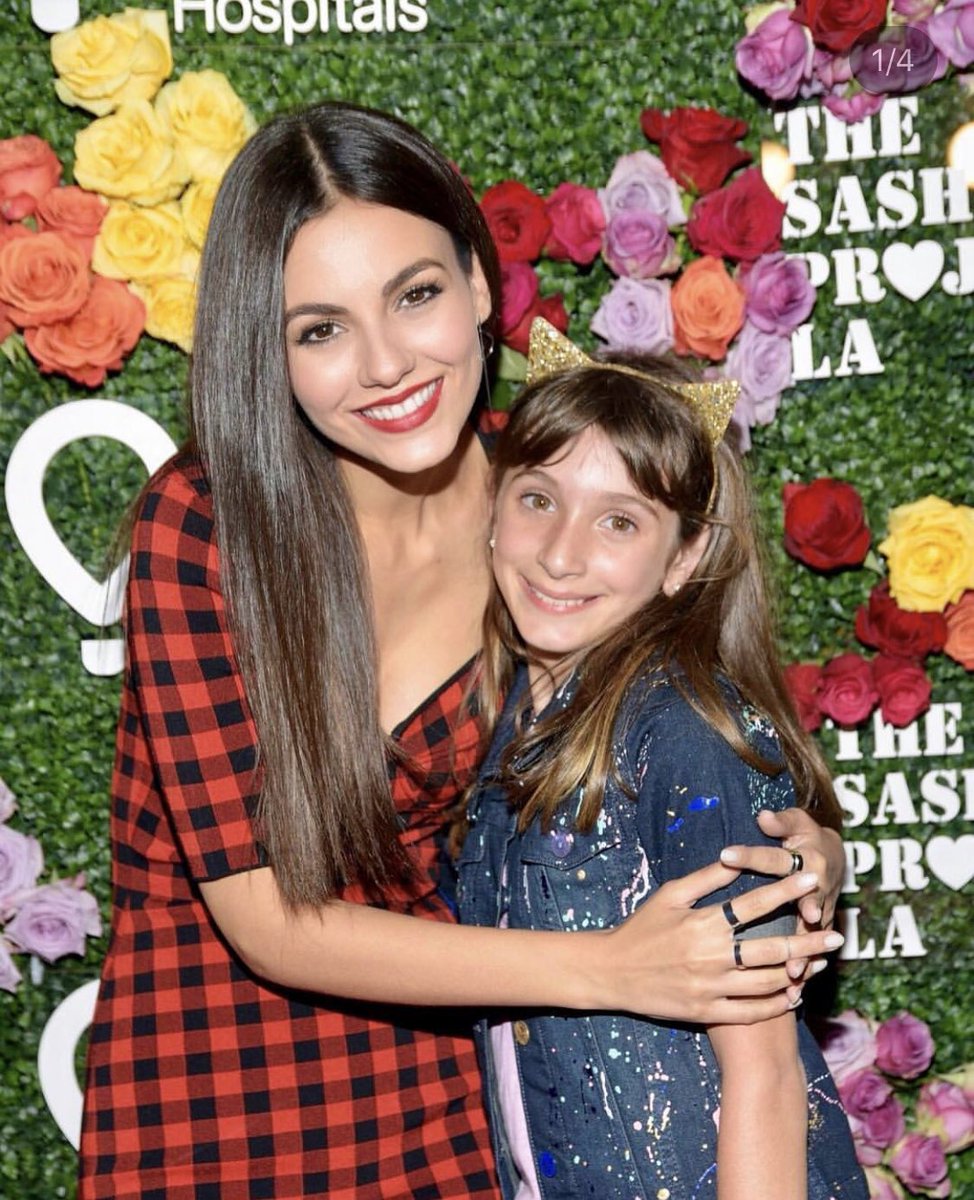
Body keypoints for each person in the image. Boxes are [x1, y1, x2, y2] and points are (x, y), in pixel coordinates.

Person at [78, 102, 847, 1200]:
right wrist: (608, 969)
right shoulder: (207, 526)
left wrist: (797, 853)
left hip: (466, 1095)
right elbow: (269, 922)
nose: (386, 365)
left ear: (480, 286)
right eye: (320, 330)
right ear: (267, 351)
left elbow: (688, 709)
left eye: (415, 295)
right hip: (222, 1090)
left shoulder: (542, 503)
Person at [455, 319, 866, 1200]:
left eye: (619, 521)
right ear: (491, 508)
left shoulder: (687, 733)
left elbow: (766, 1073)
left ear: (685, 556)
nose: (561, 553)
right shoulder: (507, 719)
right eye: (538, 499)